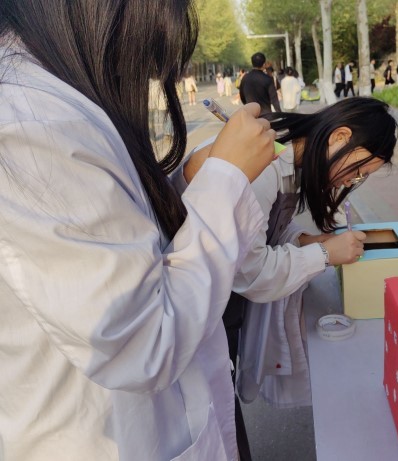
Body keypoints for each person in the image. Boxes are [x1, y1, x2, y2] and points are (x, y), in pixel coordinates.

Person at [0, 1, 277, 460]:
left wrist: (190, 183)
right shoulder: (31, 125)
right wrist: (225, 181)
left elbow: (119, 235)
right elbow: (146, 339)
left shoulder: (52, 96)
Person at [220, 97, 397, 459]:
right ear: (340, 136)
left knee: (222, 405)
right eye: (358, 169)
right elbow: (249, 270)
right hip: (210, 307)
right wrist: (325, 254)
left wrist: (310, 241)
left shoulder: (291, 162)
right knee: (218, 409)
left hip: (220, 300)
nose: (352, 180)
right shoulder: (266, 166)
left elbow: (267, 233)